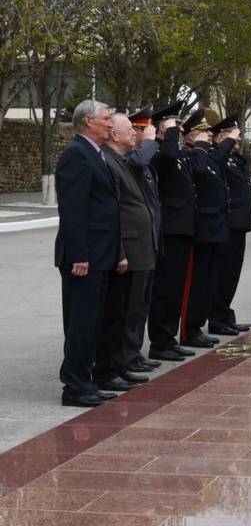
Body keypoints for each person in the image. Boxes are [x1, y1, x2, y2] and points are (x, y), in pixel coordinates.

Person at [54, 100, 122, 407]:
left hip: (101, 255)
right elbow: (73, 210)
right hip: (84, 258)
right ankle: (75, 386)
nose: (110, 124)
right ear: (87, 122)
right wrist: (79, 254)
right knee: (81, 323)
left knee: (93, 321)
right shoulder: (76, 155)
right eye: (106, 119)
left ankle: (85, 380)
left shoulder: (96, 154)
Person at [97, 112, 157, 392]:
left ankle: (123, 363)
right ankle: (116, 364)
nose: (134, 133)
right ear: (114, 135)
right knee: (122, 311)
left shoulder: (120, 160)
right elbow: (116, 213)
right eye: (128, 129)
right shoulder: (111, 160)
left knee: (133, 308)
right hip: (128, 246)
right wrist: (120, 250)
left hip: (140, 245)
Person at [179, 109, 237, 348]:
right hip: (201, 231)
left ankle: (197, 326)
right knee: (195, 283)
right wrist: (200, 147)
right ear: (191, 135)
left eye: (208, 133)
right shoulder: (191, 155)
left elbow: (217, 158)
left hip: (214, 230)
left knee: (207, 282)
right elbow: (200, 171)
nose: (208, 136)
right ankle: (189, 330)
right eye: (202, 132)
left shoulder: (208, 155)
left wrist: (228, 139)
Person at [146, 100, 199, 362]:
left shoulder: (172, 152)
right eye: (173, 124)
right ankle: (160, 342)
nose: (178, 128)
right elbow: (166, 158)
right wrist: (167, 132)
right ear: (161, 127)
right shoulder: (157, 152)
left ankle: (169, 337)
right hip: (168, 230)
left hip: (181, 229)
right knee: (165, 289)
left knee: (175, 289)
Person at [123, 106, 163, 374]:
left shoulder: (144, 163)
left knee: (142, 305)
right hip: (133, 247)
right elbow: (138, 161)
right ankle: (126, 355)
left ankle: (134, 352)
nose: (146, 134)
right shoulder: (129, 160)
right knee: (131, 305)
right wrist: (150, 142)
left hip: (149, 244)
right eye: (141, 130)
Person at [208, 116, 251, 336]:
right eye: (232, 134)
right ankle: (217, 318)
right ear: (219, 136)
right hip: (227, 225)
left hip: (239, 225)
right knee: (223, 274)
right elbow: (215, 159)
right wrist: (226, 145)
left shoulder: (235, 158)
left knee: (232, 274)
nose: (237, 138)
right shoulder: (216, 155)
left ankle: (226, 315)